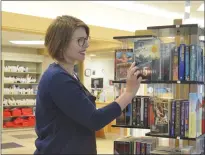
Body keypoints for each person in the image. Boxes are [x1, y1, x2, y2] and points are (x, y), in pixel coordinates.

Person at [34, 15, 142, 154]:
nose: (86, 45)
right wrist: (128, 93)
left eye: (86, 40)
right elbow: (95, 120)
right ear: (61, 43)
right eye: (80, 40)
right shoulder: (58, 78)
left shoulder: (68, 75)